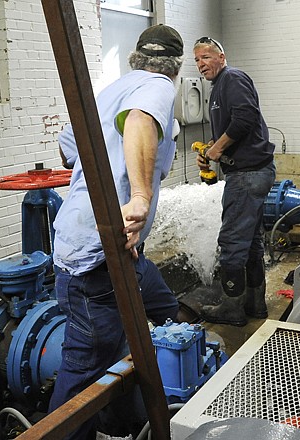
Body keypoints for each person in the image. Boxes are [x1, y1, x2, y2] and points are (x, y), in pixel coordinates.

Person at [49, 24, 184, 439]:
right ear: (176, 67)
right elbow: (141, 122)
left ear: (135, 58)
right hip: (97, 254)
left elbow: (68, 145)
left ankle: (172, 363)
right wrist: (140, 195)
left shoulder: (112, 90)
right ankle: (66, 430)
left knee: (164, 306)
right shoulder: (158, 88)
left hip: (98, 243)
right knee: (85, 367)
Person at [193, 36, 276, 327]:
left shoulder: (233, 78)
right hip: (250, 172)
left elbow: (245, 119)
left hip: (247, 175)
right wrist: (211, 149)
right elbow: (234, 127)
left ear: (221, 56)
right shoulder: (219, 88)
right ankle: (255, 304)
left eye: (206, 57)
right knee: (251, 242)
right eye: (197, 60)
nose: (201, 64)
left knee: (231, 243)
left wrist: (218, 149)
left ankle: (231, 308)